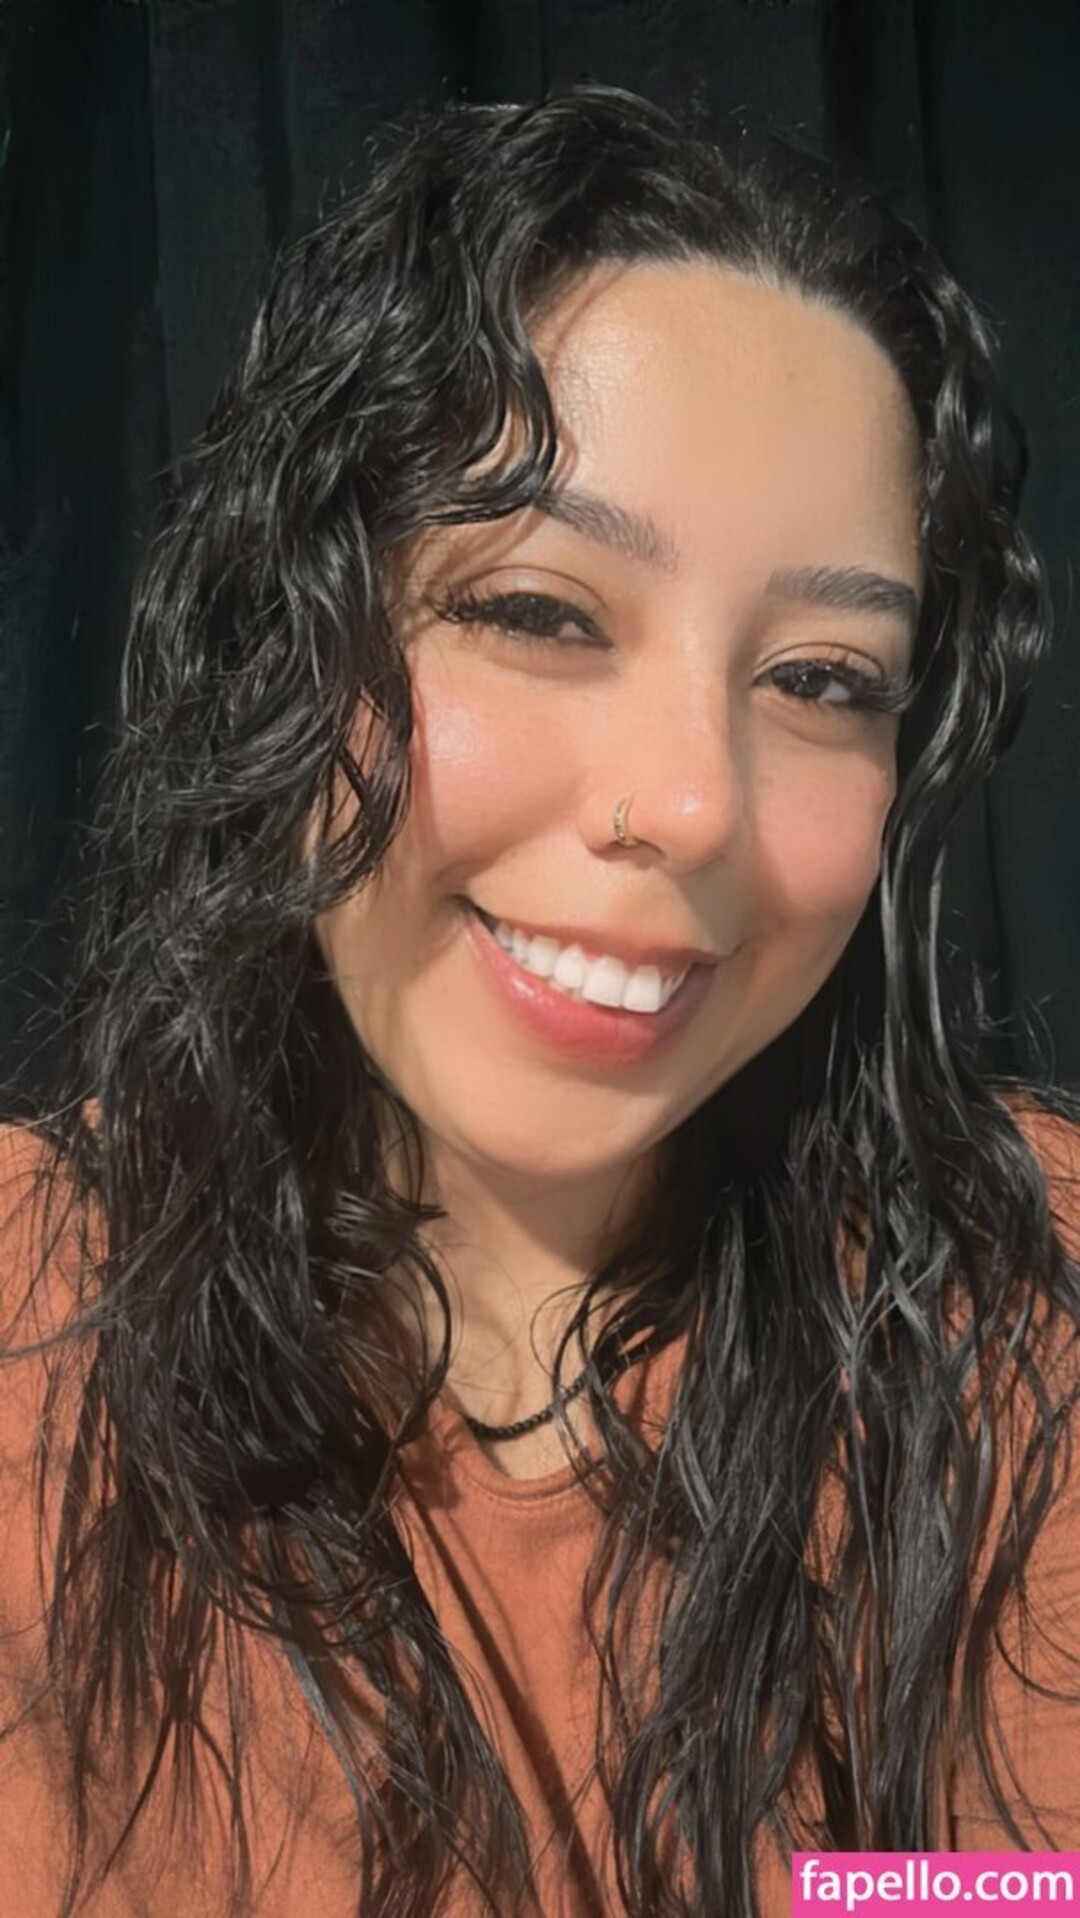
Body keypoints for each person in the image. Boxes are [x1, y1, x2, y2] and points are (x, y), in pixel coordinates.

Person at [1, 82, 1079, 1918]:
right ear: (293, 636)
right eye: (540, 612)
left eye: (824, 677)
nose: (695, 804)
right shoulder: (32, 1344)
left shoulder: (1025, 1310)